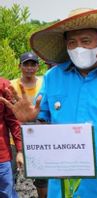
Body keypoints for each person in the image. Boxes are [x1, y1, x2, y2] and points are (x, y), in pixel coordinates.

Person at [0, 8, 97, 198]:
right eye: (72, 42)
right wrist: (30, 122)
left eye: (86, 41)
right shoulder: (53, 78)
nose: (78, 48)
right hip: (63, 190)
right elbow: (45, 131)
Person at [10, 52, 47, 198]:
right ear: (20, 66)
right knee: (10, 173)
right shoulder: (12, 85)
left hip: (39, 137)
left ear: (38, 67)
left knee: (43, 176)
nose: (29, 68)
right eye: (26, 64)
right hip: (15, 136)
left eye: (33, 64)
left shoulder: (44, 83)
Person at [0, 77, 23, 198]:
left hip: (1, 155)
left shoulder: (3, 85)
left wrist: (19, 150)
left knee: (6, 192)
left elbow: (13, 120)